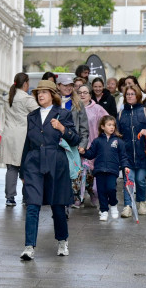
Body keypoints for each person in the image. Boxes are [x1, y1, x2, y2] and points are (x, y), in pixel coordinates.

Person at [19, 80, 79, 260]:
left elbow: (75, 139)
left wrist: (62, 128)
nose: (40, 95)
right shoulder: (32, 116)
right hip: (34, 162)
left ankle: (62, 240)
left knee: (58, 206)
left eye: (44, 92)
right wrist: (22, 170)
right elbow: (27, 144)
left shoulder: (64, 114)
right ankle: (29, 247)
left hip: (56, 163)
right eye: (38, 92)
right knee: (32, 205)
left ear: (53, 95)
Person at [0, 73, 39, 207]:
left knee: (11, 169)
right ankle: (26, 197)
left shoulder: (7, 97)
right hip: (23, 136)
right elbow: (39, 114)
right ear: (25, 83)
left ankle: (10, 197)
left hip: (9, 135)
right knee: (26, 168)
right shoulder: (27, 99)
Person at [80, 116, 130, 221]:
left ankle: (113, 205)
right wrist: (84, 152)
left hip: (113, 170)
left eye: (113, 125)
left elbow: (123, 156)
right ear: (102, 127)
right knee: (101, 191)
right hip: (99, 170)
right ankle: (104, 211)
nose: (112, 127)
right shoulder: (97, 141)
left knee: (111, 188)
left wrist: (125, 166)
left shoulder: (118, 141)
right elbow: (91, 153)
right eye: (109, 125)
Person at [118, 86, 146, 215]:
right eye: (127, 94)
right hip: (127, 154)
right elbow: (117, 132)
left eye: (132, 94)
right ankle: (128, 206)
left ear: (138, 96)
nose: (129, 96)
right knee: (128, 181)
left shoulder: (145, 111)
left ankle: (141, 202)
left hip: (142, 154)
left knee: (140, 180)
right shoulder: (121, 113)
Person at [58, 74, 90, 208]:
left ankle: (66, 204)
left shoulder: (78, 103)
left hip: (72, 144)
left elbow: (84, 127)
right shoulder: (53, 101)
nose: (68, 88)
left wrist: (82, 144)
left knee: (71, 176)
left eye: (70, 85)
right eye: (65, 85)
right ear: (58, 86)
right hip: (56, 145)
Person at [76, 84, 110, 208]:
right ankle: (78, 197)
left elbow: (108, 122)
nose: (82, 95)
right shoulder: (74, 107)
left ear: (90, 95)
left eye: (85, 92)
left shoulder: (97, 109)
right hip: (78, 146)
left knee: (93, 173)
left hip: (94, 146)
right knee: (79, 173)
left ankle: (94, 195)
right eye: (80, 92)